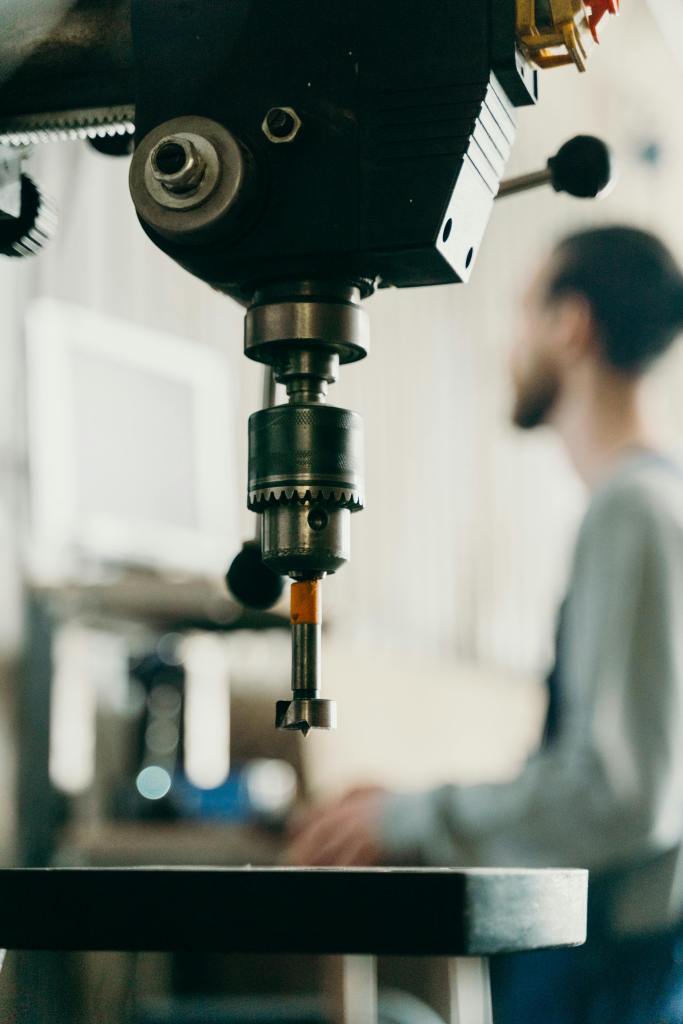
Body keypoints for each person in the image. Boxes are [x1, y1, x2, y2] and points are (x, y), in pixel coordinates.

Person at [287, 226, 683, 1024]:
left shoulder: (632, 511)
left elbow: (619, 797)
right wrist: (414, 801)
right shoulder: (652, 502)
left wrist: (407, 821)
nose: (509, 345)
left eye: (521, 311)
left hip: (610, 980)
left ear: (570, 326)